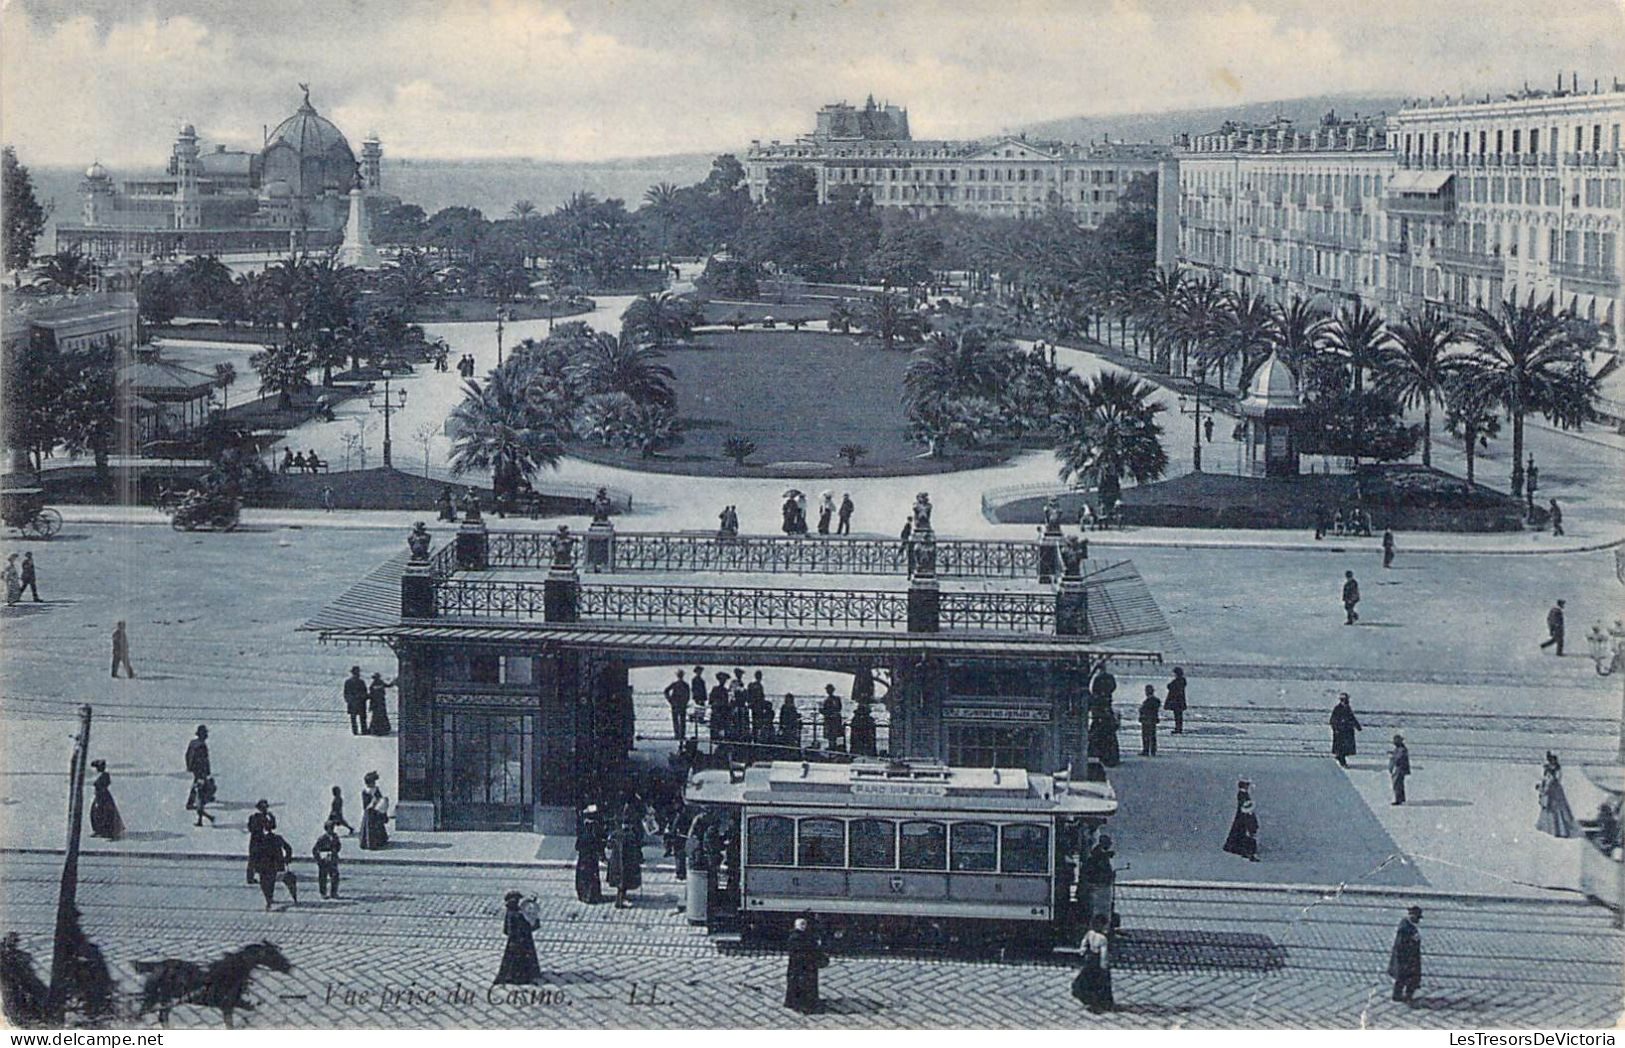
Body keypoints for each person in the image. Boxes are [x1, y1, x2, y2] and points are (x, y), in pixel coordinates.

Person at [494, 891, 542, 985]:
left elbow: (507, 930)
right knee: (524, 956)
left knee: (513, 957)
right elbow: (534, 925)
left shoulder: (512, 913)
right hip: (524, 940)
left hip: (514, 941)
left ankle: (513, 974)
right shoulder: (521, 913)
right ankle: (526, 974)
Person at [1072, 914, 1114, 1013]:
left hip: (1090, 959)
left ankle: (1088, 1000)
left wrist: (1082, 950)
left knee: (1088, 980)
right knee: (1100, 982)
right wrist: (1104, 965)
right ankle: (1102, 1003)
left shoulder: (1090, 933)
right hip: (1097, 960)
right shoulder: (1103, 938)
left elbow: (1084, 942)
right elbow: (1104, 954)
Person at [784, 917, 826, 1014]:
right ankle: (802, 1005)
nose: (803, 926)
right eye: (801, 925)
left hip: (804, 965)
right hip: (801, 966)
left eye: (804, 924)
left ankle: (803, 1003)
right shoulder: (796, 937)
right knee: (802, 985)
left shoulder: (802, 936)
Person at [250, 829, 297, 911]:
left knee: (266, 884)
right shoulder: (277, 838)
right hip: (277, 866)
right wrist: (287, 859)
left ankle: (269, 901)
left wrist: (256, 868)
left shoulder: (260, 840)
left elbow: (255, 854)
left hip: (265, 867)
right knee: (286, 881)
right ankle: (293, 896)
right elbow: (288, 848)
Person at [1535, 752, 1578, 838]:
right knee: (1551, 810)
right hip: (1553, 791)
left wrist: (1545, 787)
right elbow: (1546, 780)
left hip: (1555, 792)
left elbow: (1553, 780)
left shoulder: (1555, 770)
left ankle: (1559, 830)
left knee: (1556, 810)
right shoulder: (1549, 770)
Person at [1388, 906, 1423, 1004]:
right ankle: (1402, 996)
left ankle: (1401, 995)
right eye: (1417, 918)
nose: (1418, 920)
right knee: (1405, 978)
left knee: (1404, 978)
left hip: (1409, 958)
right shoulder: (1405, 928)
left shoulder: (1407, 925)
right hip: (1406, 959)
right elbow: (1400, 946)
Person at [607, 814, 643, 909]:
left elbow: (609, 845)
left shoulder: (615, 833)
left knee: (621, 883)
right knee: (623, 883)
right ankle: (620, 901)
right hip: (625, 863)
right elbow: (635, 848)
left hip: (617, 862)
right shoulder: (630, 835)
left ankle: (621, 899)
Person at [1222, 780, 1259, 861]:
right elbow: (1245, 806)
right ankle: (1249, 852)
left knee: (1240, 833)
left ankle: (1245, 851)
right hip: (1245, 817)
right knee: (1247, 833)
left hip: (1242, 817)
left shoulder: (1242, 794)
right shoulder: (1243, 794)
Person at [88, 760, 125, 840]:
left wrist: (100, 790)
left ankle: (108, 832)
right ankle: (99, 830)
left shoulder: (104, 775)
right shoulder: (101, 775)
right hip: (100, 796)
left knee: (105, 813)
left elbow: (104, 784)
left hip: (103, 796)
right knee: (97, 813)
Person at [575, 806, 604, 904]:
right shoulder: (594, 827)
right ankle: (591, 895)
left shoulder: (584, 826)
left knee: (586, 876)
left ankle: (586, 895)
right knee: (590, 876)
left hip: (586, 855)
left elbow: (578, 843)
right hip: (589, 855)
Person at [246, 798, 277, 885]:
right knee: (254, 859)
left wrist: (271, 818)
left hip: (258, 839)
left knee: (256, 859)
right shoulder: (257, 817)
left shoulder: (258, 817)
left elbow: (271, 827)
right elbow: (270, 827)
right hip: (257, 839)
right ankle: (251, 877)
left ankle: (252, 877)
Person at [184, 725, 211, 822]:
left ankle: (191, 802)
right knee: (200, 786)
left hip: (194, 768)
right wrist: (207, 771)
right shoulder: (202, 746)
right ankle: (193, 803)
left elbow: (187, 755)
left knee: (197, 784)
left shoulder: (193, 743)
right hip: (200, 769)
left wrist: (189, 766)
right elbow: (204, 760)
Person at [1329, 693, 1362, 767]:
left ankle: (1340, 757)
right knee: (1341, 748)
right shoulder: (1337, 709)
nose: (1346, 702)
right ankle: (1342, 761)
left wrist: (1357, 726)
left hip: (1347, 732)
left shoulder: (1347, 708)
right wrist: (1336, 728)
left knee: (1345, 748)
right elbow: (1332, 720)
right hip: (1340, 732)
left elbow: (1352, 718)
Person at [360, 771, 389, 850]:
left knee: (378, 826)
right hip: (369, 812)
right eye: (372, 782)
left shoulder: (376, 790)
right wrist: (372, 803)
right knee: (370, 827)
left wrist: (381, 802)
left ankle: (380, 841)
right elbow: (365, 804)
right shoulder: (365, 791)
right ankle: (370, 844)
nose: (373, 784)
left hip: (376, 811)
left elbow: (380, 798)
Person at [313, 821, 342, 899]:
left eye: (333, 828)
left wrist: (335, 851)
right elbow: (315, 850)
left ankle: (334, 892)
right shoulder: (322, 838)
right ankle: (323, 893)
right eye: (330, 828)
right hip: (324, 861)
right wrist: (319, 860)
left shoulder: (335, 837)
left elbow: (339, 846)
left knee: (335, 876)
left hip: (333, 859)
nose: (332, 830)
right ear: (326, 829)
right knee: (323, 877)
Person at [664, 670, 690, 740]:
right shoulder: (679, 684)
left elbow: (688, 695)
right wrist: (671, 701)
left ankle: (680, 734)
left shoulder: (684, 685)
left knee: (681, 720)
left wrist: (685, 702)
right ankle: (678, 734)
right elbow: (666, 691)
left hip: (679, 704)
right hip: (677, 704)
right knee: (679, 720)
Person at [343, 666, 368, 735]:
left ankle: (362, 731)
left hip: (358, 702)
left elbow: (364, 692)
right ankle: (358, 731)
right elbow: (346, 693)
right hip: (355, 702)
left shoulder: (360, 682)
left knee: (360, 718)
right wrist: (350, 700)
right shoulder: (351, 682)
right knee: (355, 718)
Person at [1137, 685, 1160, 757]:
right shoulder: (1156, 701)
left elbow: (1144, 710)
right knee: (1152, 735)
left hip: (1146, 720)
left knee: (1146, 736)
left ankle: (1146, 750)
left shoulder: (1147, 701)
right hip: (1152, 719)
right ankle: (1153, 750)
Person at [820, 684, 844, 751]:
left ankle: (832, 746)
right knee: (831, 735)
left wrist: (825, 712)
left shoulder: (833, 699)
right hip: (832, 719)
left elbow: (837, 708)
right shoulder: (833, 699)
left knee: (832, 734)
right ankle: (832, 746)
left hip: (832, 719)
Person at [1164, 667, 1188, 734]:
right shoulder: (1181, 681)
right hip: (1179, 701)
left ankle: (1178, 729)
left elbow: (1170, 686)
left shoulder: (1178, 681)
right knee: (1178, 716)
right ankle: (1178, 728)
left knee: (1177, 716)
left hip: (1177, 701)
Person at [1388, 734, 1411, 805]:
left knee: (1397, 784)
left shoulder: (1402, 749)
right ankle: (1401, 798)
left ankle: (1399, 799)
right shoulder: (1400, 748)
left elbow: (1399, 758)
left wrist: (1393, 758)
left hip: (1400, 769)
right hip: (1400, 769)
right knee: (1399, 784)